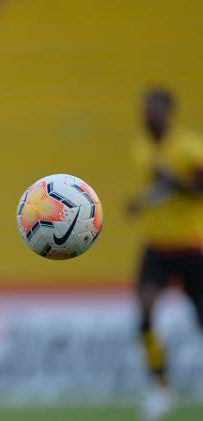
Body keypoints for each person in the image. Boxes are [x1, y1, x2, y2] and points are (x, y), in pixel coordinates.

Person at [128, 88, 203, 421]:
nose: (148, 115)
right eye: (145, 109)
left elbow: (198, 191)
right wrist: (141, 203)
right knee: (144, 313)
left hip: (190, 245)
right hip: (156, 245)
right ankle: (161, 388)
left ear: (167, 113)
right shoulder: (141, 148)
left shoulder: (189, 147)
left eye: (154, 110)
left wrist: (174, 181)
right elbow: (159, 191)